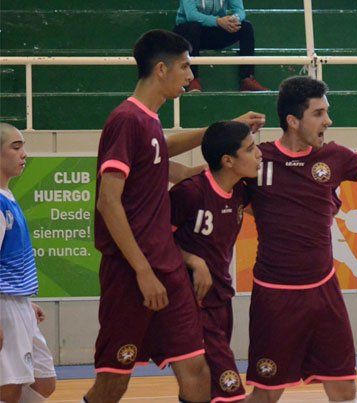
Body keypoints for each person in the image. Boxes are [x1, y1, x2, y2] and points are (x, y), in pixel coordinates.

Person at [83, 29, 265, 403]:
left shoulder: (148, 121)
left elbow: (163, 149)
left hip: (167, 266)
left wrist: (223, 129)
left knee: (197, 370)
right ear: (162, 69)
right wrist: (142, 270)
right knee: (113, 382)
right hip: (130, 272)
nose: (190, 75)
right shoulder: (126, 120)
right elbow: (108, 203)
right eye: (184, 66)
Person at [243, 76, 357, 403]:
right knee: (266, 393)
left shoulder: (336, 156)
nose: (328, 121)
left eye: (327, 112)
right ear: (293, 121)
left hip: (323, 293)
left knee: (343, 388)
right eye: (319, 113)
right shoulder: (259, 159)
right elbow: (226, 193)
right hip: (274, 296)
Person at [170, 121, 262, 403]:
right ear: (228, 160)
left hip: (221, 298)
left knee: (205, 388)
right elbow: (153, 241)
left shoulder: (240, 192)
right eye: (251, 149)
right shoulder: (190, 192)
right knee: (229, 388)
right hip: (192, 302)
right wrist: (193, 260)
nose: (258, 154)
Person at [0, 123, 57, 403]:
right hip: (4, 306)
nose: (24, 153)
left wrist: (25, 301)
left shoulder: (8, 198)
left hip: (17, 302)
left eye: (23, 146)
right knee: (9, 387)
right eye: (15, 147)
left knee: (44, 382)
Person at [174, 0, 268, 92]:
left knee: (246, 27)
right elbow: (191, 15)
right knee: (193, 26)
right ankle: (192, 79)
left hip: (214, 29)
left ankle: (247, 79)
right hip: (187, 32)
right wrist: (217, 21)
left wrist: (234, 19)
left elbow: (240, 11)